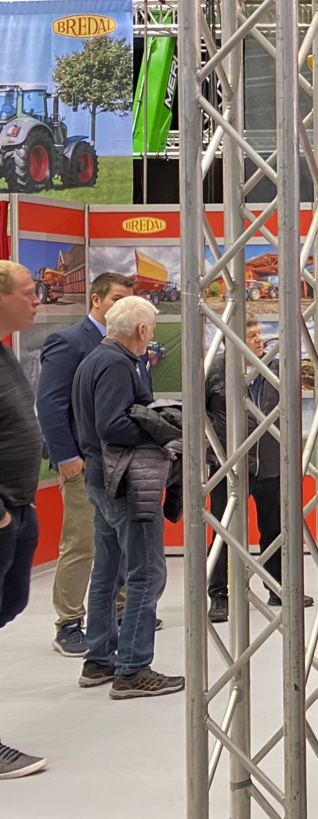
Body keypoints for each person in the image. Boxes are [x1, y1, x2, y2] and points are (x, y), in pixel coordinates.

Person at [73, 295, 183, 699]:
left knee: (108, 572)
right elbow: (112, 425)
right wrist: (163, 430)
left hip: (101, 480)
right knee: (147, 574)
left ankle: (99, 659)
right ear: (141, 329)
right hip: (125, 485)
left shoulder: (95, 359)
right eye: (150, 329)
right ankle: (133, 669)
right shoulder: (118, 364)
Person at [34, 271, 137, 657]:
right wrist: (66, 457)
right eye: (116, 299)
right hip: (84, 463)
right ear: (96, 300)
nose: (123, 307)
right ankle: (69, 623)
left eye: (128, 300)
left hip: (122, 462)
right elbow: (50, 404)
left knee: (122, 541)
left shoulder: (127, 343)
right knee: (81, 543)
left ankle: (120, 611)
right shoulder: (69, 342)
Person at [208, 321, 304, 621]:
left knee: (275, 530)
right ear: (233, 341)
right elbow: (201, 417)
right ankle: (219, 596)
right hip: (229, 468)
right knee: (223, 532)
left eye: (260, 334)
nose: (260, 340)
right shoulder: (214, 371)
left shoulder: (276, 368)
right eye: (251, 336)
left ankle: (277, 587)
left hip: (270, 464)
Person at [0, 260, 47, 777]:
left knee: (10, 604)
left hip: (18, 506)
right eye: (29, 292)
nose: (37, 301)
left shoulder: (5, 353)